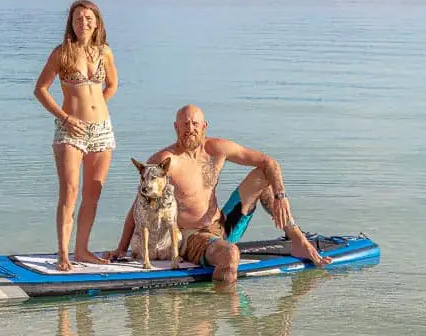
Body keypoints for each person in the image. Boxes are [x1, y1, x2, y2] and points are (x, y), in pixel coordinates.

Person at [106, 104, 331, 283]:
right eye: (184, 124)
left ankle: (297, 239)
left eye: (195, 123)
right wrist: (121, 249)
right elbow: (139, 206)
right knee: (231, 255)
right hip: (191, 236)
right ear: (176, 127)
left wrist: (281, 197)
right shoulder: (166, 162)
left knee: (263, 176)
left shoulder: (217, 150)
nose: (190, 128)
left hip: (221, 225)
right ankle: (218, 311)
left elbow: (268, 162)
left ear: (205, 126)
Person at [34, 0, 119, 271]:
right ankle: (63, 253)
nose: (84, 22)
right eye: (78, 18)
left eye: (88, 17)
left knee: (93, 193)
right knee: (69, 192)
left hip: (102, 129)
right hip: (70, 129)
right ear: (71, 23)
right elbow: (41, 89)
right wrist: (67, 118)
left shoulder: (105, 52)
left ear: (97, 22)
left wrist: (99, 107)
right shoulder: (62, 53)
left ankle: (82, 250)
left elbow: (113, 84)